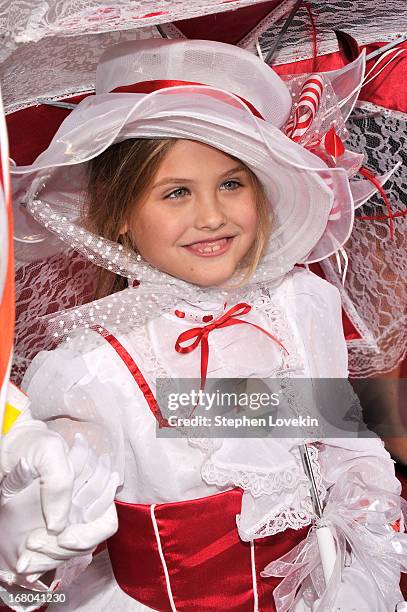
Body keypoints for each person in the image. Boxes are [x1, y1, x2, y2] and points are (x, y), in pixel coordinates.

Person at [1, 39, 406, 611]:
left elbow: (336, 440)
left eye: (231, 183)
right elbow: (41, 569)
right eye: (177, 193)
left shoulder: (298, 304)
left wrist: (362, 545)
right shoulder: (93, 369)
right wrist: (32, 528)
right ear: (117, 217)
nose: (212, 215)